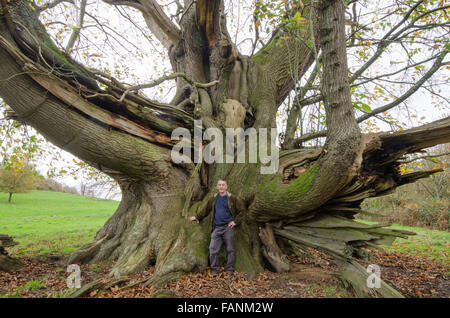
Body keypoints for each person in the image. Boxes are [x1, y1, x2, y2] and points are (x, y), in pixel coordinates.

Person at [189, 179, 245, 274]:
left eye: (223, 185)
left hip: (228, 228)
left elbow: (242, 211)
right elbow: (205, 210)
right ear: (217, 187)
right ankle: (215, 270)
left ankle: (229, 269)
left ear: (226, 187)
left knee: (230, 249)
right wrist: (197, 217)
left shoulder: (232, 198)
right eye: (219, 185)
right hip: (217, 228)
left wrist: (235, 222)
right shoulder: (214, 198)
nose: (221, 186)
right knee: (213, 249)